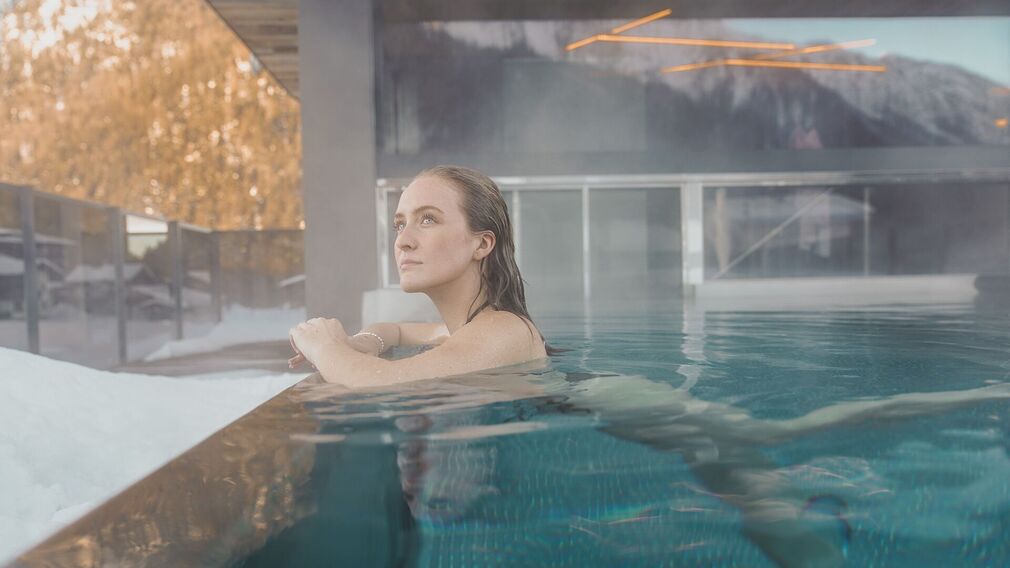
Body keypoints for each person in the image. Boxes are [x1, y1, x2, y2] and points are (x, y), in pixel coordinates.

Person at [288, 165, 548, 387]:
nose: (403, 241)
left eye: (428, 220)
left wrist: (325, 346)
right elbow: (394, 331)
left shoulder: (505, 331)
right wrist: (364, 343)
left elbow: (380, 383)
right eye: (400, 224)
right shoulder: (460, 331)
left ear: (481, 244)